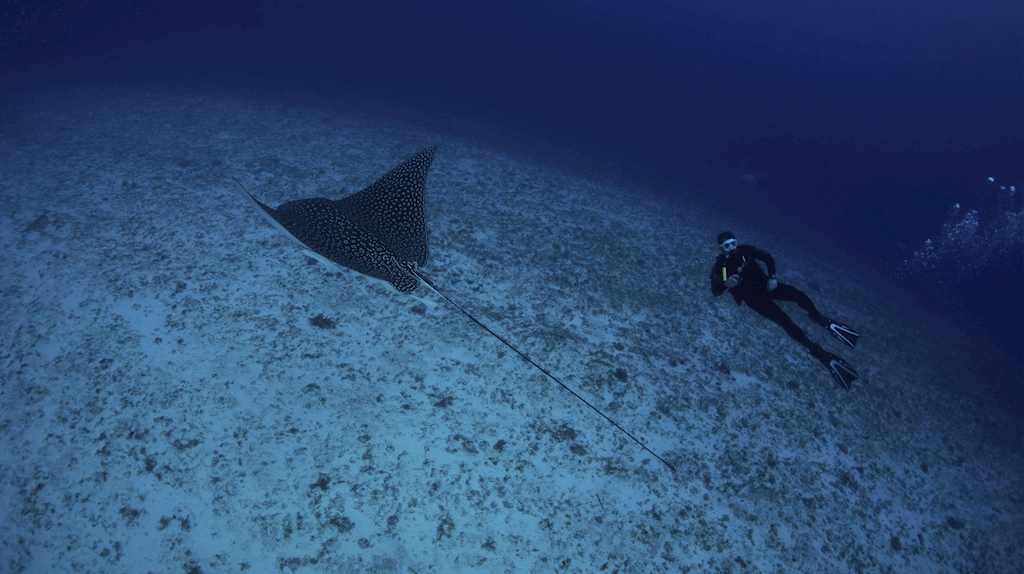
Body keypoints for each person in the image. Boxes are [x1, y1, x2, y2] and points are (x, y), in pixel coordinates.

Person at [709, 231, 861, 389]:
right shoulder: (721, 266)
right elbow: (715, 291)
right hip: (755, 300)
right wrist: (726, 284)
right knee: (785, 322)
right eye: (727, 246)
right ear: (721, 248)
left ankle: (819, 318)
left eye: (734, 243)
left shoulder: (745, 250)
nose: (732, 248)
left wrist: (772, 277)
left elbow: (767, 258)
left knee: (799, 296)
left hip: (767, 286)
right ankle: (819, 352)